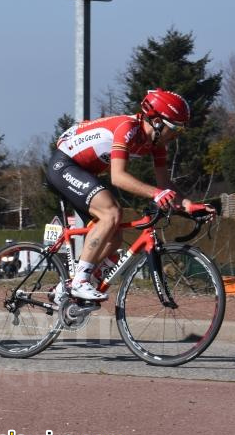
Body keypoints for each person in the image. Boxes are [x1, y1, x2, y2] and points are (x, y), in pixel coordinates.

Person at [45, 88, 214, 303]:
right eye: (174, 128)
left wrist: (190, 205)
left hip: (85, 172)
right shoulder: (128, 128)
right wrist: (155, 194)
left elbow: (164, 184)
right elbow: (118, 177)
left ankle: (66, 288)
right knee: (112, 212)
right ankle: (80, 281)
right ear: (157, 121)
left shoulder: (156, 143)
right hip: (65, 165)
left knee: (114, 236)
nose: (175, 136)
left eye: (179, 130)